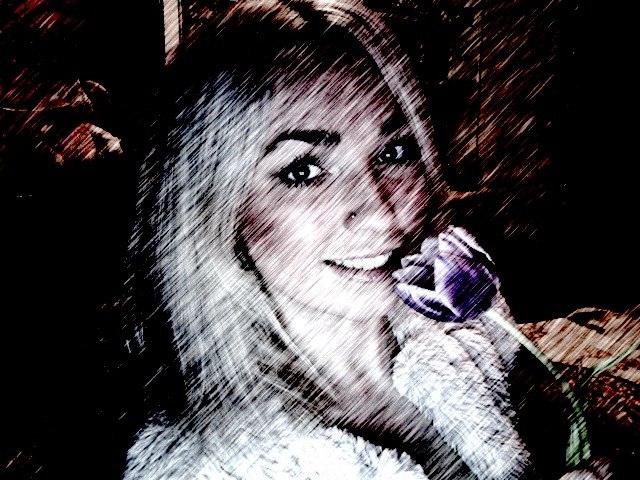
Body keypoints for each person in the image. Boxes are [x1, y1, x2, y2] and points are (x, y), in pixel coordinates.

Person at [123, 1, 611, 478]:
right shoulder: (207, 467)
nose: (379, 209)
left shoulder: (473, 334)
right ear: (216, 207)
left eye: (394, 151)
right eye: (304, 170)